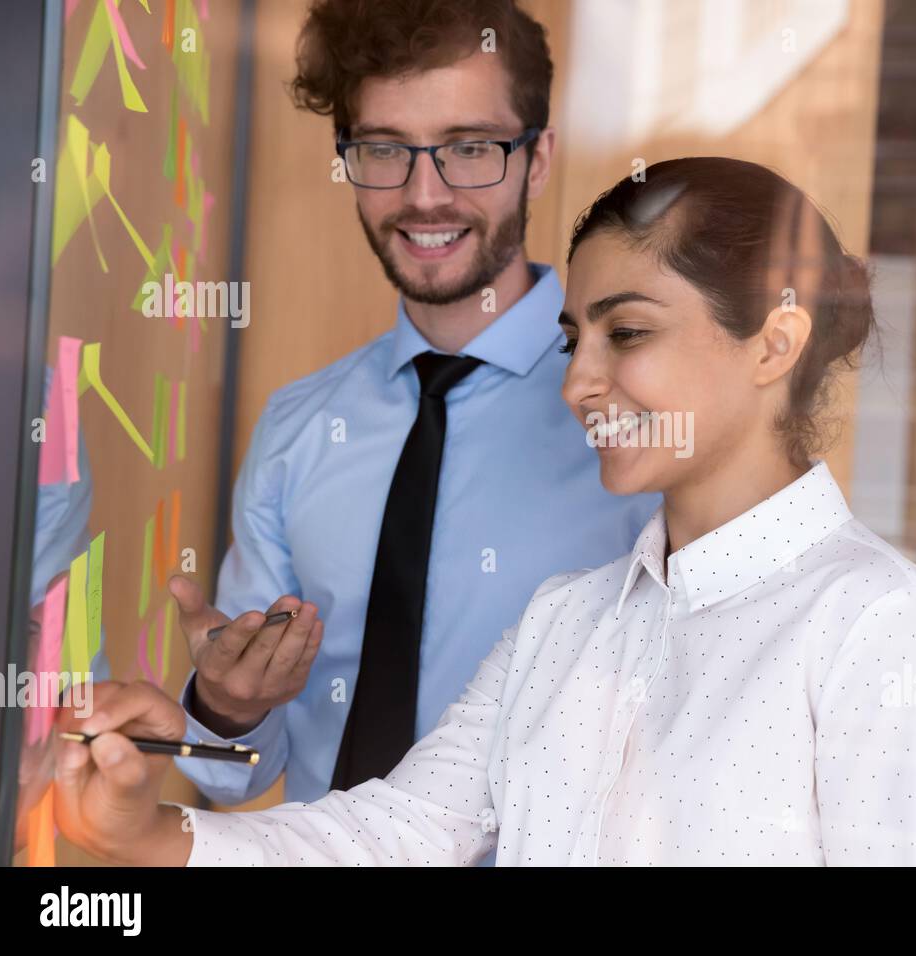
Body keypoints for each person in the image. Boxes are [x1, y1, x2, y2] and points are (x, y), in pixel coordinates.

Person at [54, 158, 916, 866]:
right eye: (572, 338)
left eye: (626, 333)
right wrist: (151, 834)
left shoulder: (887, 631)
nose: (578, 383)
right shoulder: (565, 620)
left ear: (774, 342)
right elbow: (397, 833)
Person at [169, 0, 657, 811]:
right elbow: (234, 770)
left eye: (470, 148)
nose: (424, 195)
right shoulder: (297, 431)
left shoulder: (641, 423)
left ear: (537, 160)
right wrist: (230, 705)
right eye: (385, 150)